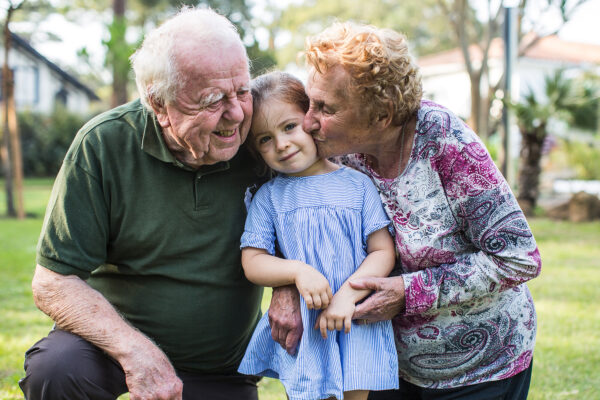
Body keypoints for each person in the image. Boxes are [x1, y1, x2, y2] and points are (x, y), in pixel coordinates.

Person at [270, 22, 542, 399]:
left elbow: (518, 258)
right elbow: (283, 205)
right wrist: (285, 284)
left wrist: (407, 292)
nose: (308, 120)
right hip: (383, 361)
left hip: (479, 368)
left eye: (326, 108)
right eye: (311, 103)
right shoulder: (331, 146)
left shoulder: (447, 143)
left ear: (381, 116)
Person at [20, 7, 266, 400]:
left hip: (221, 371)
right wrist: (135, 351)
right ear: (158, 102)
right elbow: (53, 281)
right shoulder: (104, 144)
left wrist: (288, 290)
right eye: (213, 99)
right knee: (57, 369)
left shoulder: (263, 139)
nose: (236, 114)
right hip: (113, 352)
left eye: (242, 91)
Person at [237, 71, 399, 400]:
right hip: (308, 327)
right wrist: (298, 271)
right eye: (265, 139)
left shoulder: (358, 184)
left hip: (353, 319)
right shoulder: (269, 197)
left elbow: (382, 251)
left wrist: (347, 297)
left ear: (311, 118)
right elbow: (252, 261)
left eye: (289, 126)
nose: (281, 144)